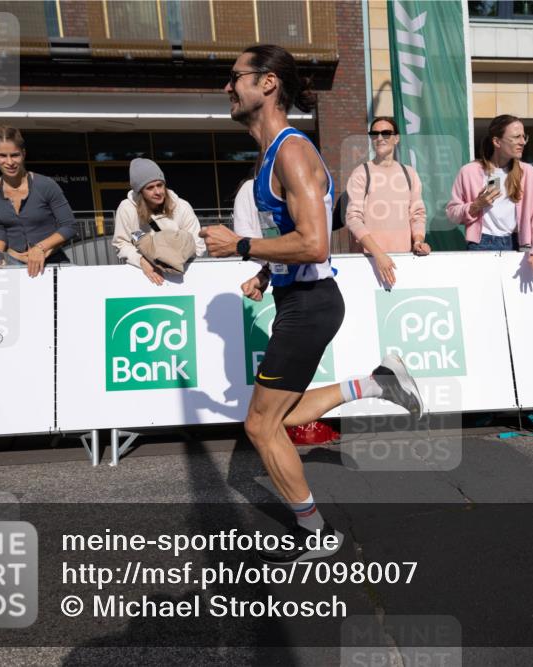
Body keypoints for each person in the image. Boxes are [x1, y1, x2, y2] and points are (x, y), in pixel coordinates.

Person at [200, 44, 426, 564]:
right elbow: (294, 237)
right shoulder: (271, 153)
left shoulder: (291, 151)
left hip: (311, 304)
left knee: (260, 425)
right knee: (280, 414)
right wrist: (263, 270)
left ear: (268, 83)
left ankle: (318, 533)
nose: (227, 88)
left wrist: (239, 246)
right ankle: (376, 383)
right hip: (299, 297)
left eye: (235, 77)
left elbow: (315, 244)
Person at [446, 114, 533, 276]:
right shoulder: (470, 171)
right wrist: (476, 205)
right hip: (480, 244)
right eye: (516, 137)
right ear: (497, 142)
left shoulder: (527, 173)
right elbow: (451, 214)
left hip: (516, 244)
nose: (522, 141)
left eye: (524, 136)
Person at [0, 124, 78, 277]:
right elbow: (0, 227)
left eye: (15, 155)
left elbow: (70, 226)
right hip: (12, 264)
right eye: (2, 155)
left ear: (24, 153)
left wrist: (40, 248)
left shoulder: (46, 185)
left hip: (51, 261)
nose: (10, 162)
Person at [344, 116, 430, 286]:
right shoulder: (361, 173)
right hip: (369, 262)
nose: (380, 138)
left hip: (403, 260)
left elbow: (417, 214)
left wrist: (419, 241)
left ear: (396, 138)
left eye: (386, 133)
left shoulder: (409, 173)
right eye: (374, 134)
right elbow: (353, 218)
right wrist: (379, 254)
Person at [112, 158, 205, 285]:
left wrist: (172, 259)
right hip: (145, 276)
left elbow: (198, 245)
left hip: (183, 274)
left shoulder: (182, 206)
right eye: (150, 188)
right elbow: (121, 243)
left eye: (160, 185)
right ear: (140, 192)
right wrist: (141, 260)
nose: (158, 192)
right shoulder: (127, 209)